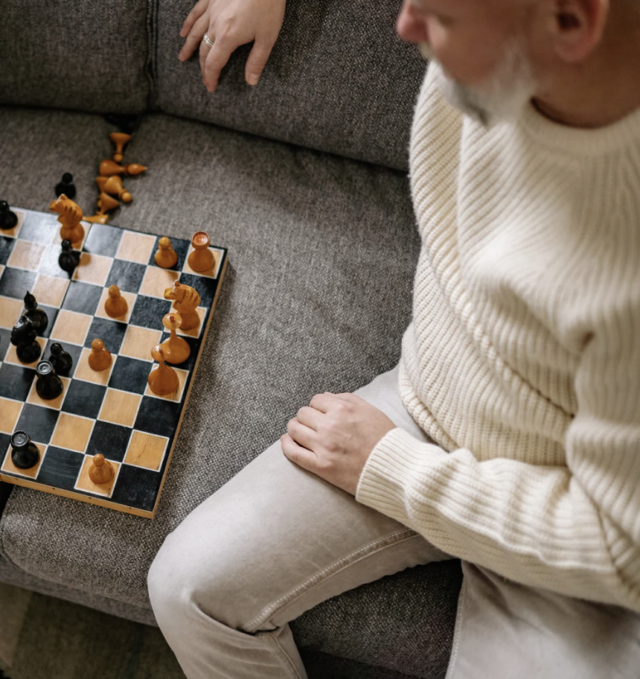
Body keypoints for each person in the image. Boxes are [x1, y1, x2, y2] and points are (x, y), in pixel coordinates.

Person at [148, 0, 640, 677]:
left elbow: (622, 549)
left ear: (571, 22)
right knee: (186, 587)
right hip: (424, 406)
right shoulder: (492, 44)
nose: (404, 28)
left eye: (435, 15)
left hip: (566, 525)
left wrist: (392, 468)